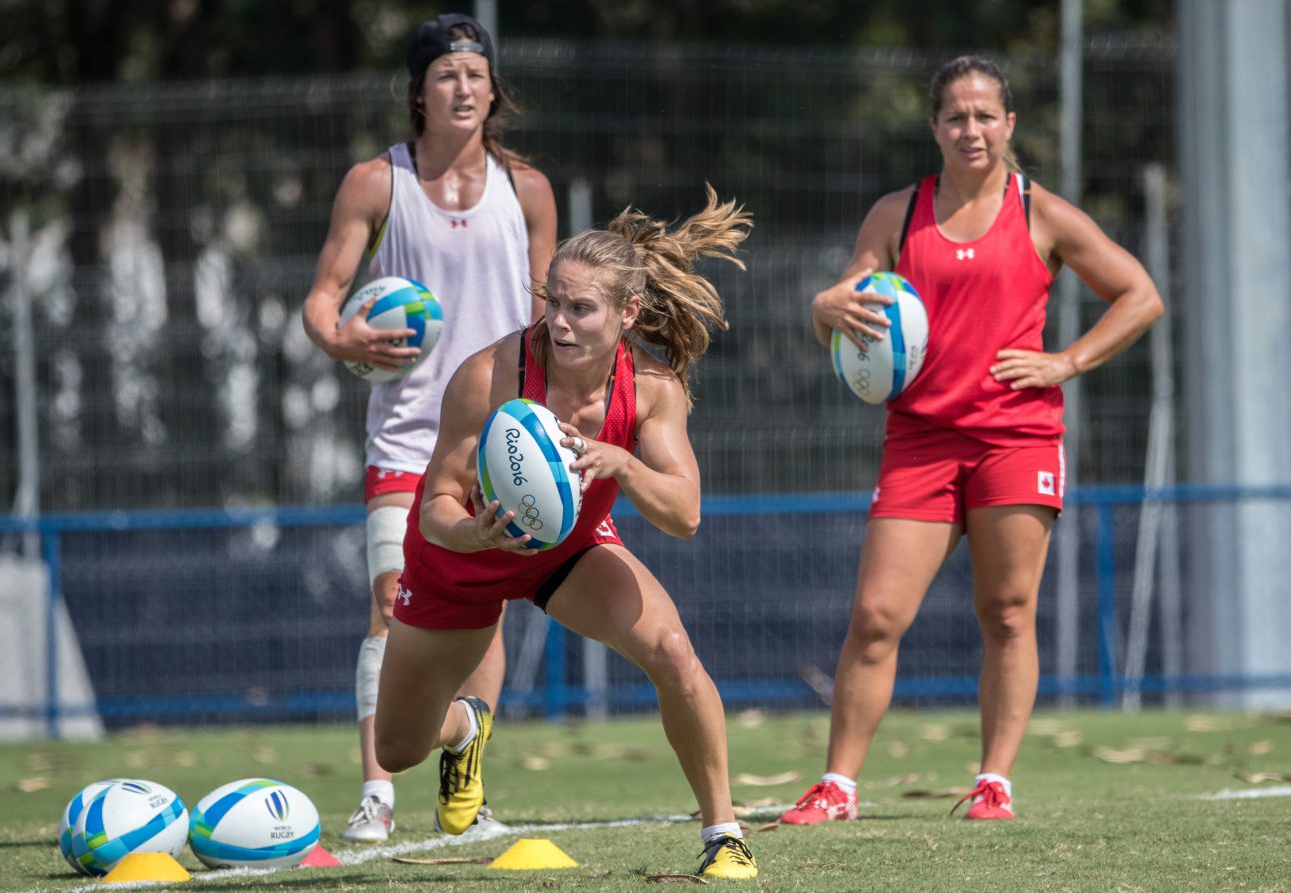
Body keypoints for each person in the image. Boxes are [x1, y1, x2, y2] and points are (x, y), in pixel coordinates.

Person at [781, 55, 1164, 825]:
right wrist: (824, 308)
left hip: (1016, 439)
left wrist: (1066, 361)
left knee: (1009, 612)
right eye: (956, 116)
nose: (971, 129)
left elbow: (1141, 295)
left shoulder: (1041, 212)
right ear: (934, 127)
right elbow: (842, 314)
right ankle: (838, 786)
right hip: (919, 439)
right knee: (875, 615)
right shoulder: (897, 214)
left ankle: (994, 782)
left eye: (986, 115)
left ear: (1009, 123)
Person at [371, 187, 759, 879]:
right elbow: (434, 508)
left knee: (673, 652)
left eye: (581, 308)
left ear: (628, 312)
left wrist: (625, 464)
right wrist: (477, 534)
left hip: (567, 551)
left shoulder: (653, 388)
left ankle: (724, 833)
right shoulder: (490, 373)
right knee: (397, 748)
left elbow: (685, 515)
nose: (559, 322)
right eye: (553, 302)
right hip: (460, 560)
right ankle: (465, 727)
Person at [301, 12, 557, 842]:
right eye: (447, 74)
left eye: (476, 74)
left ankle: (464, 790)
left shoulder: (528, 189)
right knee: (391, 601)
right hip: (406, 436)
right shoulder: (376, 182)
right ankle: (377, 791)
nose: (464, 88)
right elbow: (322, 298)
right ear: (419, 91)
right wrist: (341, 337)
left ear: (494, 89)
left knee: (486, 614)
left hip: (500, 435)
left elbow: (548, 317)